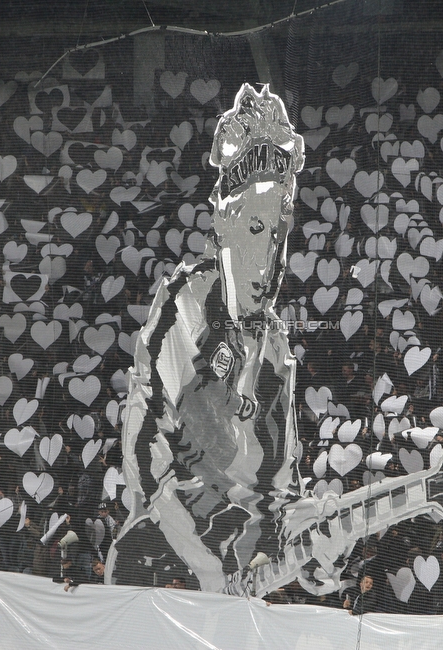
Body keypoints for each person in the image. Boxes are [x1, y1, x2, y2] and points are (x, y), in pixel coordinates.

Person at [112, 83, 306, 594]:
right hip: (167, 563)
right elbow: (143, 434)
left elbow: (280, 489)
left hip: (235, 573)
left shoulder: (279, 350)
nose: (270, 256)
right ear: (224, 221)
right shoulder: (185, 300)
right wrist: (205, 566)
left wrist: (313, 554)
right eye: (258, 228)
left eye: (280, 234)